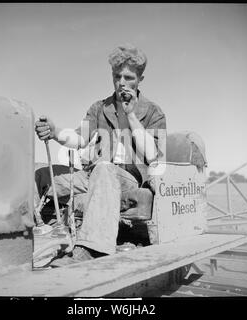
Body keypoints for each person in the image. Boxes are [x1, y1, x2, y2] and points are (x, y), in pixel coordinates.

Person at [35, 44, 166, 265]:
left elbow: (153, 154)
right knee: (41, 175)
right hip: (92, 175)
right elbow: (78, 139)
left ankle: (94, 248)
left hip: (127, 179)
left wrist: (131, 115)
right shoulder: (99, 108)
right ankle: (30, 233)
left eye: (128, 77)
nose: (121, 82)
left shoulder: (153, 112)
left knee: (104, 167)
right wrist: (55, 132)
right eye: (117, 76)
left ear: (140, 79)